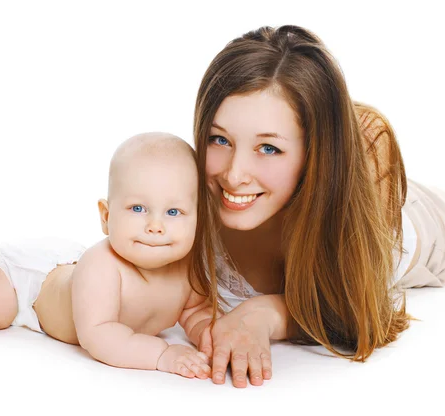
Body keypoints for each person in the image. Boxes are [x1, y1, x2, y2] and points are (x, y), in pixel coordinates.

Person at [187, 25, 445, 388]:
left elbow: (355, 308)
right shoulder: (186, 192)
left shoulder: (366, 154)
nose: (234, 174)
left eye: (269, 148)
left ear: (315, 155)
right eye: (219, 139)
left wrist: (266, 314)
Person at [0, 132, 218, 380]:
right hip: (26, 287)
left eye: (174, 211)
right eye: (137, 208)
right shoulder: (103, 266)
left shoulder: (188, 270)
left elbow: (195, 311)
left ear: (198, 219)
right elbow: (99, 335)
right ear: (106, 216)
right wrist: (162, 355)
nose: (155, 226)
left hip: (63, 272)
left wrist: (210, 337)